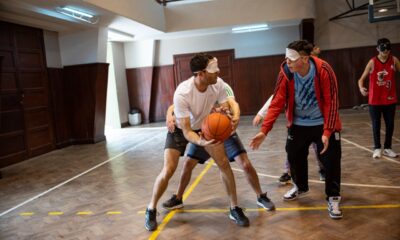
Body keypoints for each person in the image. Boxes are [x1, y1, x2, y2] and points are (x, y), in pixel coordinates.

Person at [145, 53, 249, 231]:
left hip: (204, 127)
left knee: (224, 164)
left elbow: (228, 104)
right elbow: (186, 130)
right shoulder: (183, 92)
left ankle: (234, 208)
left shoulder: (217, 84)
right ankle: (151, 208)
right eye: (213, 70)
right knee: (168, 169)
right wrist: (201, 143)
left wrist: (234, 115)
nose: (218, 72)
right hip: (179, 130)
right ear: (200, 73)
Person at [249, 40, 343, 219]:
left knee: (331, 160)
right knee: (293, 156)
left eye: (291, 58)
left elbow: (332, 102)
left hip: (323, 123)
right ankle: (300, 187)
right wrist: (264, 131)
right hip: (298, 124)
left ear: (306, 58)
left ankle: (333, 197)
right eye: (286, 57)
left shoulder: (324, 70)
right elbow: (276, 102)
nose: (287, 61)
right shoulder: (286, 72)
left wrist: (327, 132)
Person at [162, 83, 275, 212]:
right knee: (188, 164)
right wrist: (169, 115)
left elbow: (233, 104)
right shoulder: (195, 87)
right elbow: (175, 105)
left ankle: (260, 196)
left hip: (224, 132)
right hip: (205, 132)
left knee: (245, 164)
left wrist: (236, 115)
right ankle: (178, 198)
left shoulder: (222, 87)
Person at [253, 95, 325, 184]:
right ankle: (289, 172)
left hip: (315, 121)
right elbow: (276, 96)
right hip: (297, 122)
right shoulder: (288, 82)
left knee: (319, 146)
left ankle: (323, 169)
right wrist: (261, 114)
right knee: (292, 149)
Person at [358, 38, 399, 159]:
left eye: (387, 48)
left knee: (390, 124)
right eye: (383, 48)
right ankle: (377, 148)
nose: (385, 50)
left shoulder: (394, 60)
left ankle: (387, 148)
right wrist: (361, 88)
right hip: (375, 100)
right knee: (376, 124)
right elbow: (360, 79)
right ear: (377, 49)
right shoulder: (372, 62)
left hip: (390, 99)